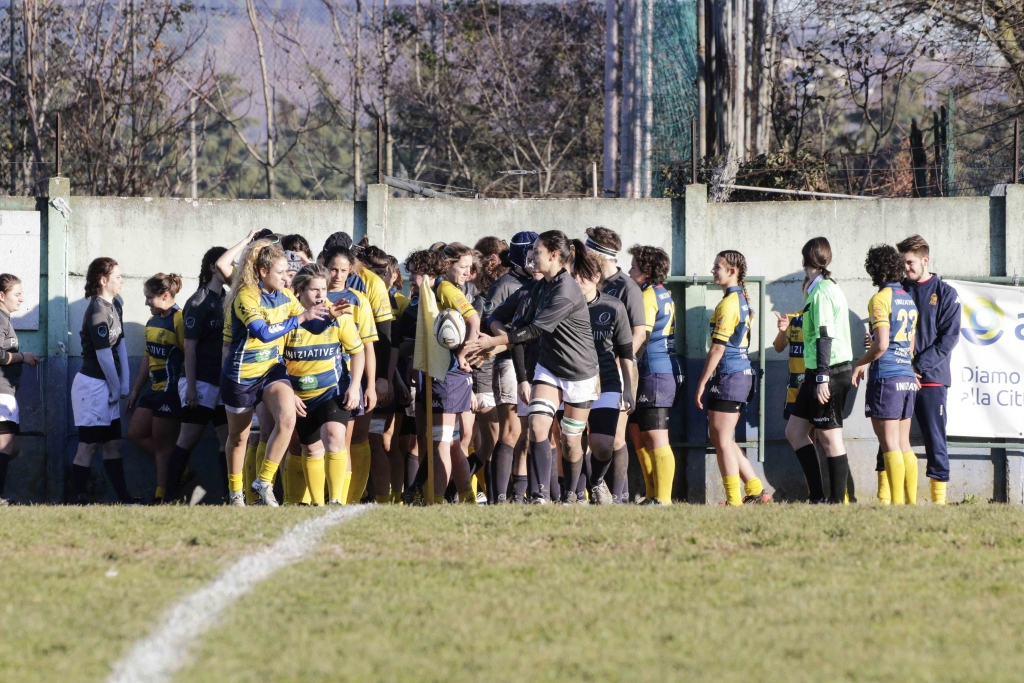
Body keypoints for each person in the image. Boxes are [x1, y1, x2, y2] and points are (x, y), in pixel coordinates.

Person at [465, 231, 599, 503]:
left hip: (579, 372)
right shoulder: (538, 287)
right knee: (538, 428)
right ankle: (539, 496)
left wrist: (495, 341)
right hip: (548, 368)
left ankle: (573, 493)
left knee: (570, 441)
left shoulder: (566, 290)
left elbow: (534, 331)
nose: (531, 256)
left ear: (553, 255)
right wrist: (495, 336)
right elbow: (497, 316)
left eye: (536, 251)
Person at [220, 239, 346, 506]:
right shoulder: (246, 296)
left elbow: (311, 326)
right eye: (280, 273)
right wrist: (301, 317)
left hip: (271, 371)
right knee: (239, 437)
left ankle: (264, 481)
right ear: (263, 272)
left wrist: (330, 316)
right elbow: (263, 333)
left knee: (287, 418)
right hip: (242, 375)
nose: (286, 278)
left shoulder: (286, 296)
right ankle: (235, 494)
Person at [876, 235, 960, 505]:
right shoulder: (898, 289)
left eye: (910, 262)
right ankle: (884, 498)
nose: (906, 268)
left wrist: (918, 367)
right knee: (887, 437)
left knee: (935, 439)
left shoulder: (946, 293)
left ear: (926, 260)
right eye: (902, 263)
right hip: (898, 375)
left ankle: (938, 502)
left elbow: (948, 340)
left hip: (931, 379)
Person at [284, 265, 364, 505]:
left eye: (324, 289)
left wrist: (354, 386)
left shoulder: (339, 317)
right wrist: (288, 394)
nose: (321, 295)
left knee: (334, 436)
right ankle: (317, 504)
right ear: (299, 290)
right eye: (315, 290)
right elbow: (277, 362)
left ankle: (336, 500)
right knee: (310, 450)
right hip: (300, 395)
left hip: (332, 390)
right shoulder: (289, 319)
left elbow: (358, 352)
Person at [694, 251, 768, 506]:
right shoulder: (740, 299)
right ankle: (756, 489)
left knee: (722, 440)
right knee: (723, 438)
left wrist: (702, 382)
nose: (713, 271)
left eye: (717, 267)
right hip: (739, 375)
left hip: (730, 376)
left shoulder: (730, 303)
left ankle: (734, 501)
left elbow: (718, 348)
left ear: (732, 271)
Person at [785, 237, 854, 504]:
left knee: (830, 438)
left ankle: (837, 502)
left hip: (830, 372)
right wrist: (811, 375)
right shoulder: (817, 288)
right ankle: (817, 496)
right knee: (795, 432)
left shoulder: (824, 291)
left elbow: (824, 336)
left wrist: (823, 377)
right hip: (816, 372)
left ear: (805, 259)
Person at [854, 244, 920, 505]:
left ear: (874, 271)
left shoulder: (880, 299)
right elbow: (910, 345)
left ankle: (895, 504)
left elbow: (881, 345)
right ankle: (910, 502)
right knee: (904, 443)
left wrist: (860, 363)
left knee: (889, 443)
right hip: (906, 374)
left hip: (888, 377)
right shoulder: (908, 299)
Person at [164, 247, 230, 503]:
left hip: (221, 382)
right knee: (188, 439)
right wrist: (190, 387)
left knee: (228, 439)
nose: (231, 269)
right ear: (214, 267)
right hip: (200, 381)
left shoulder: (226, 298)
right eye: (227, 264)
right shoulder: (198, 301)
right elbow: (189, 347)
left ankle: (229, 496)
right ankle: (168, 496)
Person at [585, 226, 646, 503]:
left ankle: (619, 497)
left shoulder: (626, 287)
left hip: (617, 371)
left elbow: (638, 333)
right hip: (586, 371)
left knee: (617, 437)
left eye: (588, 250)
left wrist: (619, 362)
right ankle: (594, 490)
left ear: (599, 254)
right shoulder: (586, 281)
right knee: (587, 436)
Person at [70, 257, 137, 504]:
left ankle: (124, 498)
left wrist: (125, 383)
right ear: (103, 280)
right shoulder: (97, 310)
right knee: (88, 445)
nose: (122, 280)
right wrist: (116, 385)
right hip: (93, 385)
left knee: (114, 443)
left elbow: (119, 345)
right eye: (117, 276)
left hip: (109, 384)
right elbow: (103, 354)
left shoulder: (115, 305)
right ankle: (78, 500)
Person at [575, 252, 634, 504]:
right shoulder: (563, 305)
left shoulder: (613, 306)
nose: (577, 279)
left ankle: (597, 482)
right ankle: (574, 495)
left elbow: (626, 352)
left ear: (597, 276)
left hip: (607, 382)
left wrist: (629, 388)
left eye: (584, 274)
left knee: (603, 444)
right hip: (573, 382)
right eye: (573, 273)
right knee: (572, 443)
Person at [482, 231, 537, 503]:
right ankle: (499, 497)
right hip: (507, 363)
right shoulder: (505, 284)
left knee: (529, 434)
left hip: (536, 363)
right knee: (511, 431)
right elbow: (489, 322)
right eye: (532, 253)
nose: (536, 258)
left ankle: (519, 494)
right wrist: (507, 340)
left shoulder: (544, 284)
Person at [627, 245, 684, 505]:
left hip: (655, 373)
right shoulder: (662, 293)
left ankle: (663, 500)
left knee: (657, 437)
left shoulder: (649, 296)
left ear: (647, 272)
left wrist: (624, 365)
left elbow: (644, 336)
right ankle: (651, 495)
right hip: (651, 372)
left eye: (634, 268)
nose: (629, 271)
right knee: (640, 435)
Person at [324, 244, 378, 504]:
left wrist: (369, 386)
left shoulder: (358, 299)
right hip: (315, 377)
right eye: (333, 269)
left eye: (343, 270)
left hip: (346, 379)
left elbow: (367, 345)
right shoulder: (312, 294)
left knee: (345, 440)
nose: (337, 275)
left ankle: (345, 500)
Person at [126, 273, 185, 503]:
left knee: (163, 446)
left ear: (165, 295)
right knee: (135, 433)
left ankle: (162, 497)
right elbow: (147, 357)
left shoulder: (179, 319)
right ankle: (178, 472)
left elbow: (189, 354)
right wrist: (135, 390)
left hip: (170, 392)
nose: (146, 303)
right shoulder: (152, 322)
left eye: (149, 298)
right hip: (153, 391)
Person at [428, 242, 479, 503]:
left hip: (448, 373)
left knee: (442, 441)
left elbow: (473, 320)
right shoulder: (445, 287)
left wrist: (462, 355)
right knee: (452, 441)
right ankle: (468, 497)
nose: (468, 273)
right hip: (450, 374)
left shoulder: (446, 288)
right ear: (447, 265)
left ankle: (436, 499)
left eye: (470, 268)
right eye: (463, 267)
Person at [0, 274, 40, 505]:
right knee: (7, 444)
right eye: (17, 294)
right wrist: (23, 357)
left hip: (8, 389)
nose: (22, 299)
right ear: (1, 295)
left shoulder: (6, 319)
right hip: (1, 389)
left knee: (11, 446)